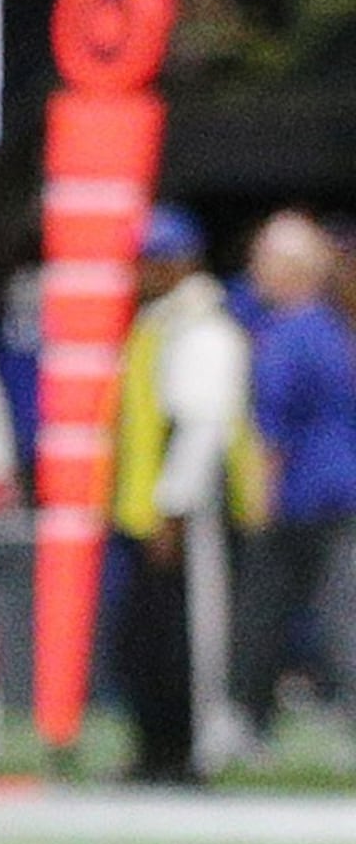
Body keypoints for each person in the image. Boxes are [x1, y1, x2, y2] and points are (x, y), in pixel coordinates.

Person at [103, 205, 256, 785]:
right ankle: (157, 749)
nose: (145, 272)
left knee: (190, 640)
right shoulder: (162, 324)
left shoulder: (204, 328)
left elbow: (201, 426)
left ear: (183, 262)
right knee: (147, 640)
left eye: (156, 261)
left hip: (190, 515)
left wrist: (172, 507)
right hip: (150, 513)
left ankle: (191, 752)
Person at [242, 213, 352, 748]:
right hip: (340, 488)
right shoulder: (332, 328)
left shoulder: (286, 334)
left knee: (268, 614)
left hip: (302, 497)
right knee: (341, 612)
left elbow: (275, 429)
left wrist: (262, 497)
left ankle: (249, 724)